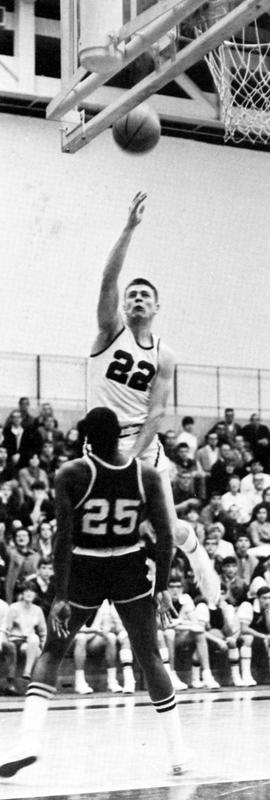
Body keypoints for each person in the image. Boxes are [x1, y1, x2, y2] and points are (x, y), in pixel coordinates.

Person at [0, 407, 193, 779]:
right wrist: (163, 586)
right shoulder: (147, 474)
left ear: (87, 440)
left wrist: (59, 594)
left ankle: (28, 741)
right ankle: (177, 752)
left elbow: (64, 538)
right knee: (150, 655)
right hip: (128, 566)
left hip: (85, 568)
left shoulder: (72, 472)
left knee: (53, 650)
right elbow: (166, 535)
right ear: (119, 436)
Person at [88, 192, 219, 607]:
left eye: (145, 295)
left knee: (168, 526)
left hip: (142, 446)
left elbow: (157, 410)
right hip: (102, 445)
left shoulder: (164, 354)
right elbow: (109, 280)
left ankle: (195, 554)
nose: (137, 298)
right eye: (132, 295)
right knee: (105, 529)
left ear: (157, 306)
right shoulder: (110, 330)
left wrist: (137, 454)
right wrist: (128, 229)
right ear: (123, 306)